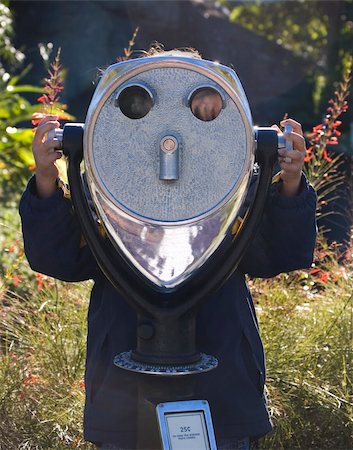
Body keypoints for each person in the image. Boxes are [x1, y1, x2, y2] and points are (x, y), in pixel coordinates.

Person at [20, 50, 316, 450]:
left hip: (223, 389)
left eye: (205, 116)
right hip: (122, 393)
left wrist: (290, 182)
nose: (170, 142)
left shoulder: (237, 190)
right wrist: (46, 180)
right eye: (138, 113)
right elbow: (59, 259)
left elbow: (279, 255)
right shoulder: (106, 195)